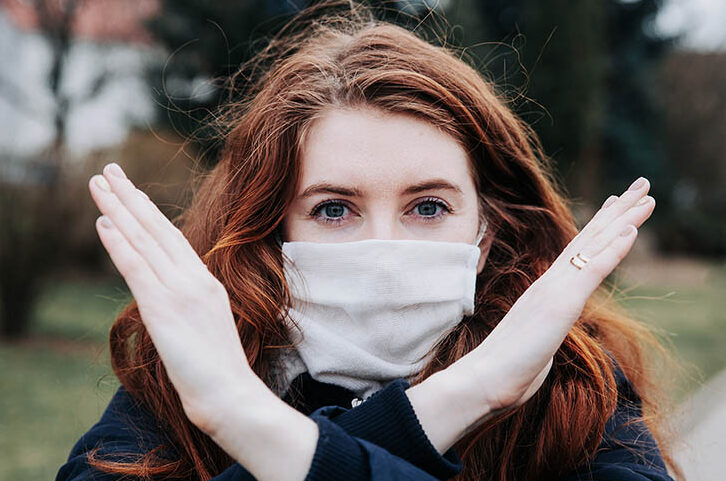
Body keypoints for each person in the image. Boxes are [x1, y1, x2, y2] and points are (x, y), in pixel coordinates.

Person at [56, 1, 681, 480]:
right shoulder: (191, 374)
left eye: (429, 206)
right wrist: (456, 400)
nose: (384, 248)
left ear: (486, 233)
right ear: (275, 230)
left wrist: (248, 424)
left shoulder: (572, 388)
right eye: (333, 209)